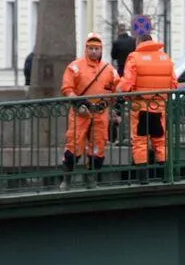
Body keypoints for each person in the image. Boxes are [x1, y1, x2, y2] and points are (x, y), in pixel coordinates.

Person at [117, 29, 177, 168]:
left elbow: (127, 83)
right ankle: (164, 173)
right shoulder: (166, 58)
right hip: (159, 107)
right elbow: (174, 84)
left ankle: (142, 176)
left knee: (140, 141)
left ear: (138, 42)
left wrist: (119, 91)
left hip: (140, 107)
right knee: (160, 140)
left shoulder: (134, 57)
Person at [61, 35, 118, 173]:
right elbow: (67, 88)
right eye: (91, 48)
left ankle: (92, 178)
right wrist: (77, 101)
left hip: (100, 112)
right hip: (80, 111)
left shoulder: (108, 69)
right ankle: (67, 176)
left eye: (96, 49)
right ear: (86, 49)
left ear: (101, 50)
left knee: (98, 144)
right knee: (74, 142)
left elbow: (117, 88)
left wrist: (116, 105)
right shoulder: (75, 67)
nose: (93, 51)